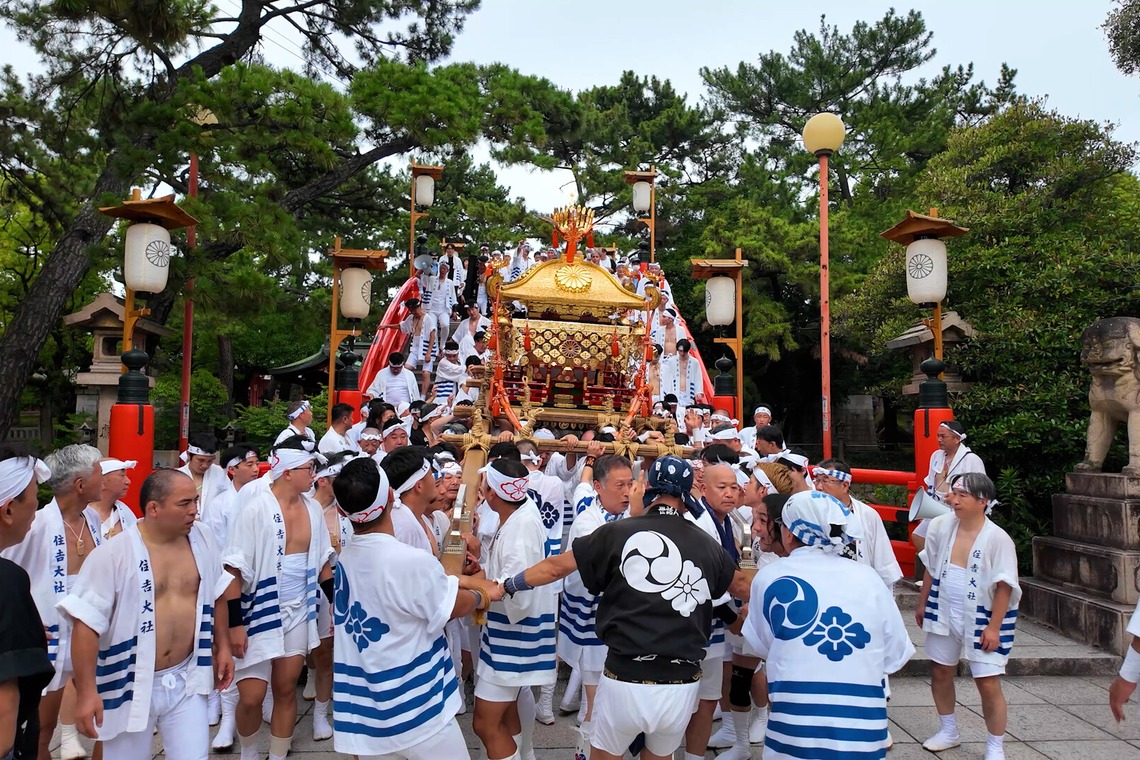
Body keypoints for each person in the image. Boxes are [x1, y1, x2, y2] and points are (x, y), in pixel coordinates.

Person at [504, 455, 740, 760]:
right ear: (689, 492)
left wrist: (508, 585)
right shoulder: (708, 544)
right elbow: (742, 586)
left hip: (626, 677)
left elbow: (553, 568)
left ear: (646, 486)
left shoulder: (618, 532)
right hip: (681, 683)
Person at [329, 457, 500, 760]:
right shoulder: (406, 559)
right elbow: (451, 606)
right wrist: (483, 595)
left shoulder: (347, 558)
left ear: (343, 511)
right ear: (391, 497)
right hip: (416, 705)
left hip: (367, 709)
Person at [61, 470, 235, 759]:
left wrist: (224, 646)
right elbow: (86, 625)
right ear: (153, 508)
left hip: (187, 675)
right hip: (129, 679)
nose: (194, 510)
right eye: (184, 504)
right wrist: (87, 692)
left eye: (195, 501)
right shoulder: (114, 554)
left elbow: (216, 593)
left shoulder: (203, 537)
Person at [744, 489, 915, 758]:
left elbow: (759, 645)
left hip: (794, 731)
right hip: (864, 734)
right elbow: (895, 654)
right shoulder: (869, 579)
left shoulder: (770, 577)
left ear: (788, 533)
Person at [221, 437, 335, 760]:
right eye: (308, 468)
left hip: (300, 608)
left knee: (286, 688)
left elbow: (324, 563)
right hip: (259, 611)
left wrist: (338, 604)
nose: (313, 474)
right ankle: (249, 752)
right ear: (286, 472)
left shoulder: (313, 509)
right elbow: (233, 570)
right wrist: (235, 625)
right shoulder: (256, 509)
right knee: (253, 696)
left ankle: (278, 753)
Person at [1, 444, 103, 760]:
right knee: (38, 727)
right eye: (101, 472)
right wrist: (23, 623)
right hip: (44, 627)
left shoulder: (94, 520)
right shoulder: (35, 528)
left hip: (82, 623)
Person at [916, 472, 1018, 760]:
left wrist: (994, 627)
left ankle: (995, 745)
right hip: (944, 606)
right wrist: (923, 603)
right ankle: (948, 730)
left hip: (983, 616)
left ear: (983, 501)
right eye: (954, 493)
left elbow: (1005, 586)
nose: (954, 499)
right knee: (940, 670)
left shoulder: (999, 538)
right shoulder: (940, 526)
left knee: (987, 682)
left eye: (962, 495)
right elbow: (931, 566)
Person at [471, 459, 558, 760]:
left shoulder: (521, 526)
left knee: (485, 723)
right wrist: (482, 570)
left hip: (514, 637)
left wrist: (473, 583)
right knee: (505, 715)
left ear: (493, 493)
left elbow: (516, 591)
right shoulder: (518, 514)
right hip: (510, 635)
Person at [554, 455, 635, 751]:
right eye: (620, 485)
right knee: (595, 698)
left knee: (613, 699)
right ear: (600, 487)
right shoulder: (588, 519)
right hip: (594, 618)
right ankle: (588, 750)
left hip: (622, 621)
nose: (627, 491)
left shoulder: (622, 513)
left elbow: (583, 484)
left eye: (631, 484)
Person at [0, 447, 55, 760]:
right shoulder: (7, 580)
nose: (37, 508)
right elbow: (4, 705)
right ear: (8, 509)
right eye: (35, 497)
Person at [304, 451, 356, 743]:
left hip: (339, 583)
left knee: (330, 653)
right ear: (323, 481)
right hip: (309, 586)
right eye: (338, 479)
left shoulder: (347, 511)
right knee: (315, 652)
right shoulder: (303, 509)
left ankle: (321, 715)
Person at [813, 459, 903, 589]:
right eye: (817, 481)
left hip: (859, 586)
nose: (819, 487)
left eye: (825, 481)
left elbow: (882, 558)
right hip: (823, 585)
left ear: (844, 485)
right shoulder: (811, 514)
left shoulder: (868, 515)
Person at [914, 420, 986, 553]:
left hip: (957, 509)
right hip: (935, 506)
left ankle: (943, 567)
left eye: (943, 436)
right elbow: (930, 482)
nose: (939, 440)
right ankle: (935, 566)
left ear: (957, 438)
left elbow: (981, 490)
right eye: (938, 436)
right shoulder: (936, 456)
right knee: (918, 536)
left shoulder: (972, 459)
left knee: (947, 543)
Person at [381, 447, 439, 555]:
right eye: (431, 474)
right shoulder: (401, 527)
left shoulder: (420, 516)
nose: (434, 480)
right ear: (419, 486)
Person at [176, 432, 233, 539]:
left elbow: (228, 500)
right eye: (200, 460)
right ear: (189, 455)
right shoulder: (178, 476)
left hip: (214, 533)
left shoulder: (219, 473)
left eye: (210, 461)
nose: (205, 465)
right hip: (184, 531)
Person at [86, 458, 138, 542]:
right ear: (102, 481)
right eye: (122, 475)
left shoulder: (125, 512)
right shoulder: (82, 514)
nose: (128, 481)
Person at [399, 298, 438, 397]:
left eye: (414, 309)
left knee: (426, 373)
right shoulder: (411, 318)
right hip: (415, 347)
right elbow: (402, 326)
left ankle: (423, 395)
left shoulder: (428, 318)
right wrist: (386, 326)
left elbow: (432, 335)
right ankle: (410, 392)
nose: (413, 312)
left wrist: (429, 352)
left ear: (419, 307)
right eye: (411, 310)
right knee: (406, 369)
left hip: (426, 346)